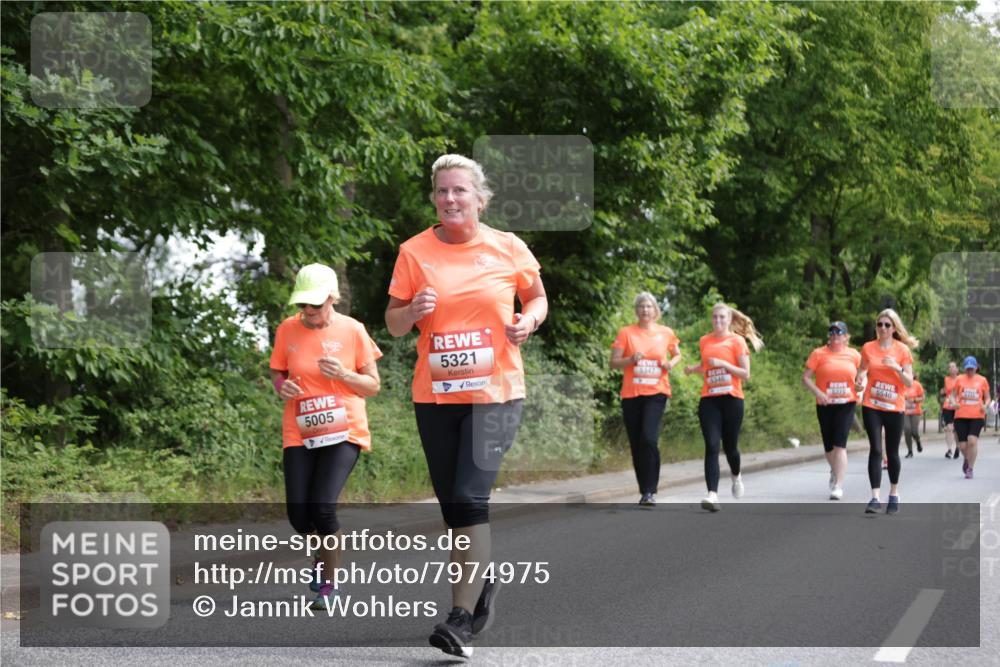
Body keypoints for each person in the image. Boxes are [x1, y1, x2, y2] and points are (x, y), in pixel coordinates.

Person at [385, 154, 547, 658]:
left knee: (469, 497)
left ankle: (458, 620)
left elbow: (538, 297)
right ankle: (483, 582)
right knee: (454, 508)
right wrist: (411, 310)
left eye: (459, 191)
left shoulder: (507, 247)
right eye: (441, 191)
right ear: (434, 197)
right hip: (434, 395)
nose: (450, 199)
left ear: (480, 198)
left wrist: (528, 322)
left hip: (496, 393)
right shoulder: (414, 251)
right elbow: (392, 323)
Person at [269, 263, 382, 609]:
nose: (308, 312)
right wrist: (281, 387)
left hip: (343, 428)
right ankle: (320, 556)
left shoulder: (353, 330)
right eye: (303, 305)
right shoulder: (287, 330)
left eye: (316, 305)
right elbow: (277, 371)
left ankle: (329, 585)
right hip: (300, 429)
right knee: (299, 515)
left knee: (323, 506)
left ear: (333, 298)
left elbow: (373, 385)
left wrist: (345, 374)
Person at [683, 303, 764, 512]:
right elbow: (707, 365)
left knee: (730, 448)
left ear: (729, 320)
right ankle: (712, 494)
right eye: (715, 318)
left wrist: (724, 364)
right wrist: (694, 369)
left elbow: (745, 374)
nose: (718, 321)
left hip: (732, 399)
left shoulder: (737, 341)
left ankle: (736, 476)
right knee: (711, 445)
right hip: (709, 399)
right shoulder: (704, 340)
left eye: (722, 318)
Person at [610, 292, 682, 507]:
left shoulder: (666, 332)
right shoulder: (626, 333)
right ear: (636, 310)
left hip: (657, 392)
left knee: (649, 438)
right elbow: (613, 363)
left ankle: (651, 489)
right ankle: (645, 491)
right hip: (631, 394)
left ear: (656, 310)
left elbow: (677, 354)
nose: (645, 310)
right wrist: (631, 359)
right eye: (641, 306)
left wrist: (671, 364)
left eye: (649, 306)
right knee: (636, 443)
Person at [855, 308, 917, 515]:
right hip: (872, 404)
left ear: (894, 328)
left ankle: (894, 493)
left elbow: (908, 382)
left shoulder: (902, 351)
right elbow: (862, 370)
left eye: (887, 325)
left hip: (894, 406)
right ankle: (874, 498)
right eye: (879, 324)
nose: (882, 328)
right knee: (875, 448)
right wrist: (859, 381)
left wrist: (896, 368)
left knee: (892, 452)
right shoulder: (868, 348)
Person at [802, 321, 861, 500]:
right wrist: (818, 393)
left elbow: (863, 375)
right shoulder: (818, 354)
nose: (835, 335)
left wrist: (861, 386)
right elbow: (805, 378)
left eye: (839, 332)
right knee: (828, 448)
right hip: (825, 404)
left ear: (846, 336)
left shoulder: (853, 355)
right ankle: (835, 471)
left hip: (846, 403)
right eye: (832, 332)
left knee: (839, 445)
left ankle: (838, 485)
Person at [951, 355, 991, 479]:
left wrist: (986, 405)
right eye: (967, 369)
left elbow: (988, 397)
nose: (970, 371)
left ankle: (970, 469)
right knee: (962, 446)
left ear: (976, 368)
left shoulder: (982, 380)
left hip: (977, 415)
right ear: (964, 368)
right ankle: (967, 459)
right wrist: (954, 403)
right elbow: (952, 395)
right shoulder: (959, 379)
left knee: (972, 441)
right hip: (961, 415)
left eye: (972, 369)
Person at [903, 375, 925, 458]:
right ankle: (910, 451)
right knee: (907, 430)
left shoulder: (917, 385)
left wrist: (915, 400)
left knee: (914, 431)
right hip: (905, 411)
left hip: (916, 411)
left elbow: (922, 397)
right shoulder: (902, 383)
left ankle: (918, 442)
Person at [940, 361, 959, 458]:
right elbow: (945, 390)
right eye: (949, 367)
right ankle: (949, 449)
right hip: (947, 406)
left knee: (956, 429)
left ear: (957, 369)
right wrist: (942, 391)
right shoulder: (946, 379)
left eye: (953, 366)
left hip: (957, 406)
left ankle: (958, 447)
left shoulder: (961, 379)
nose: (951, 368)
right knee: (949, 428)